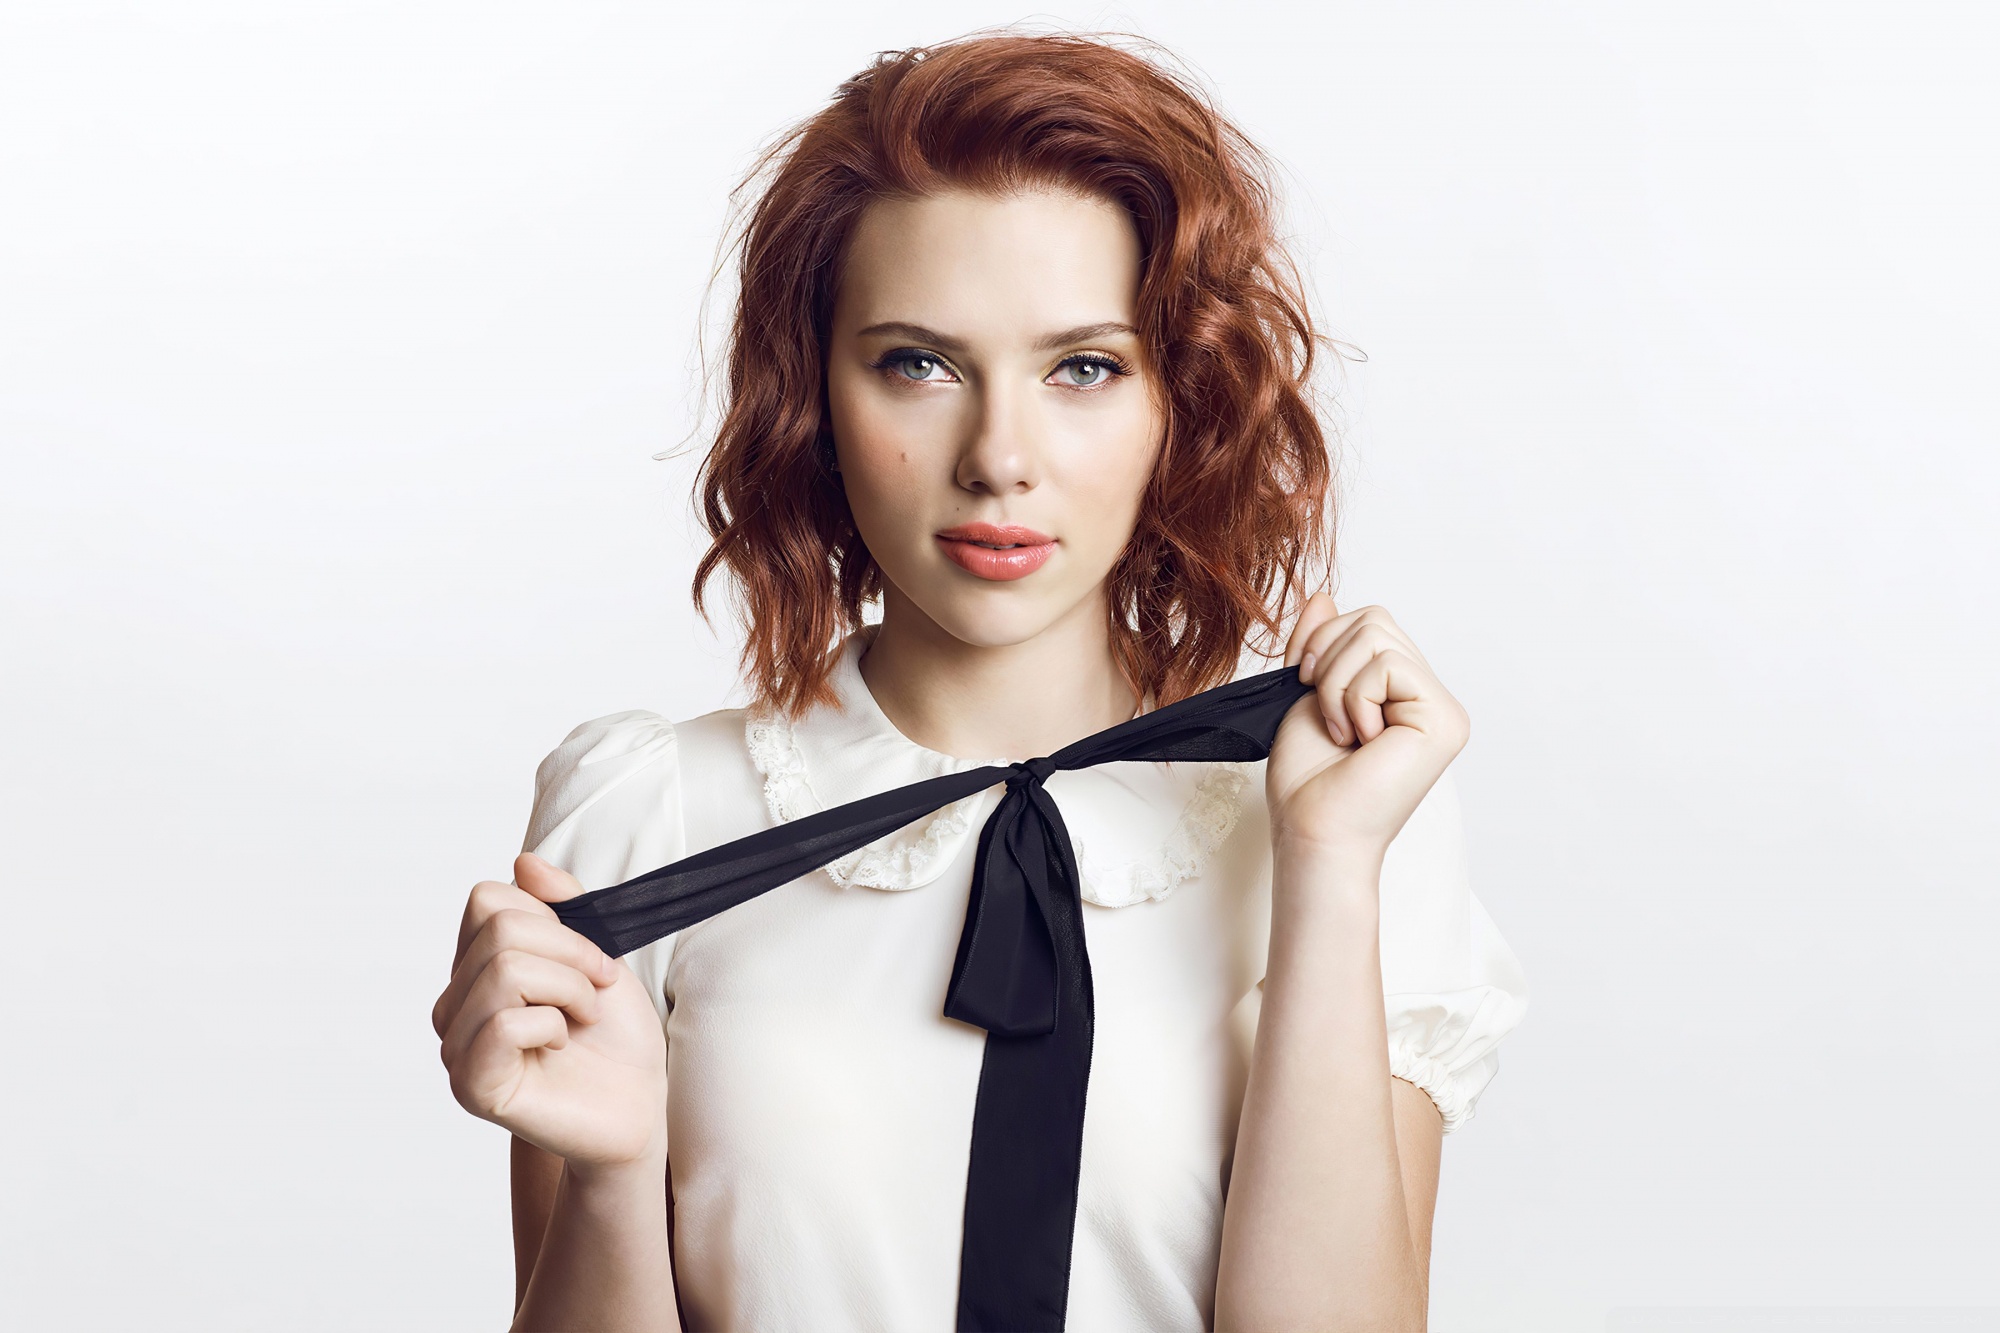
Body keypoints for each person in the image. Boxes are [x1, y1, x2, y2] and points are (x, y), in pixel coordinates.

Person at [432, 31, 1528, 1333]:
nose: (999, 456)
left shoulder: (1345, 818)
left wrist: (1330, 868)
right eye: (919, 363)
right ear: (814, 396)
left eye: (1083, 368)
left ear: (1180, 399)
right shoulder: (649, 821)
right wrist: (613, 1182)